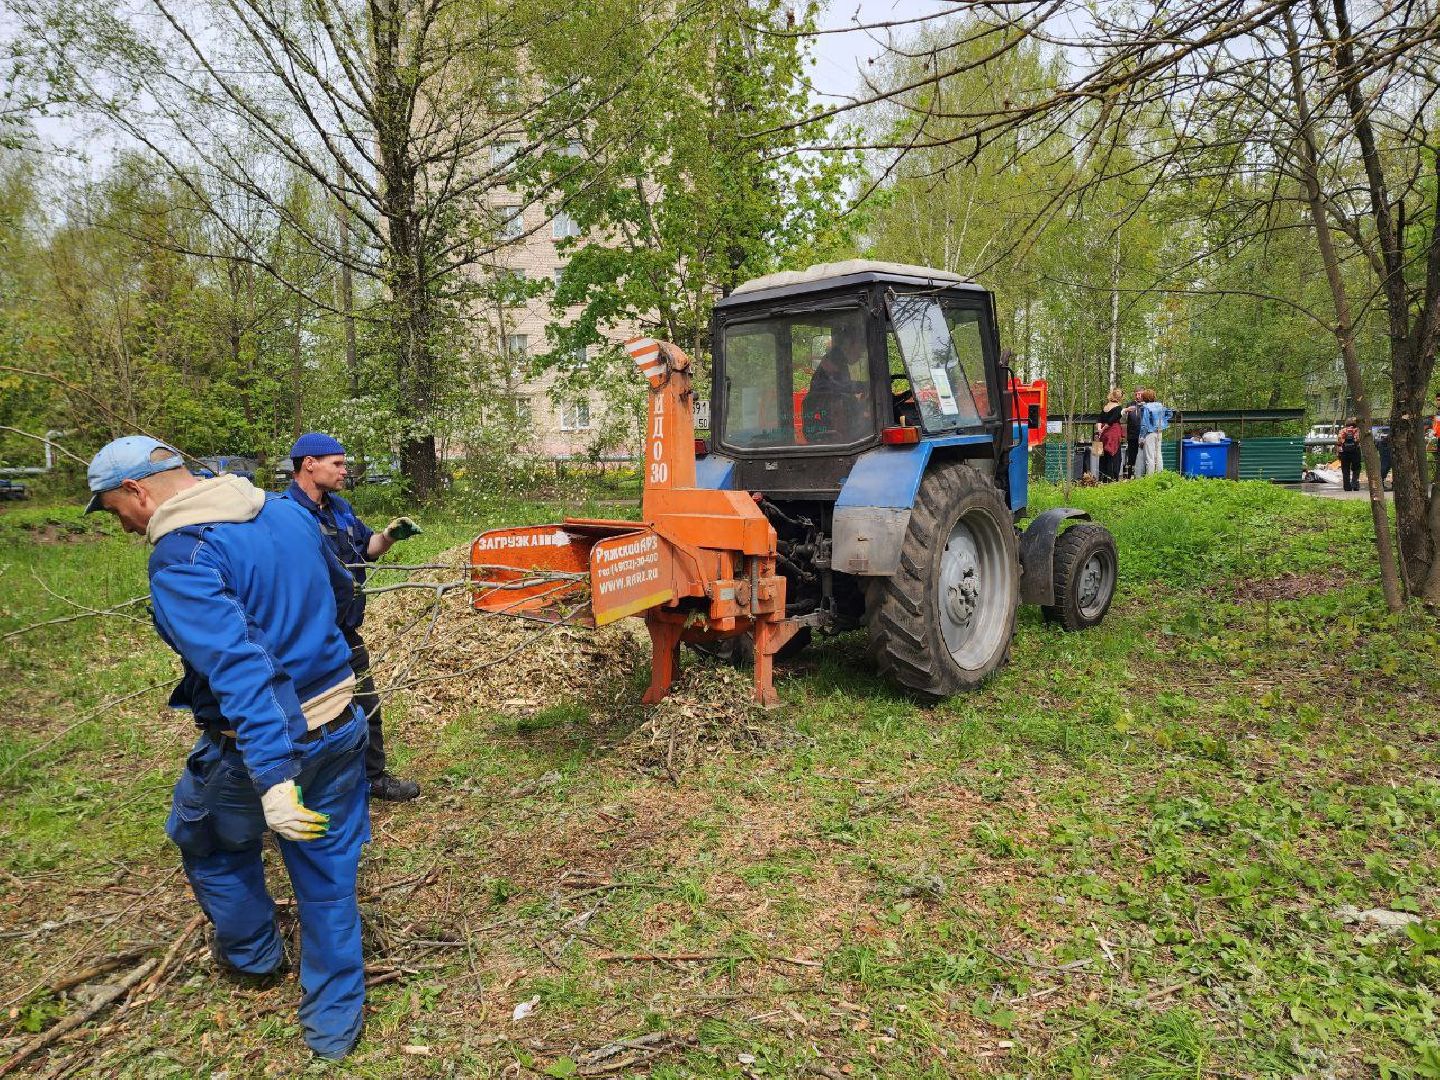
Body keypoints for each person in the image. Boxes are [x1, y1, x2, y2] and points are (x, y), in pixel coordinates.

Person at [85, 436, 370, 1060]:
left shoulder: (183, 557)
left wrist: (273, 776)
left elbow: (243, 669)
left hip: (258, 748)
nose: (125, 525)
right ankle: (334, 1024)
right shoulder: (284, 510)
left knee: (209, 841)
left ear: (137, 490)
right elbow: (346, 595)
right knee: (327, 873)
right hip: (343, 724)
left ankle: (253, 956)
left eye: (113, 510)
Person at [284, 433, 421, 802]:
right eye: (338, 464)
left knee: (366, 704)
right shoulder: (283, 514)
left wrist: (390, 535)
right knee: (308, 717)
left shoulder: (340, 508)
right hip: (303, 637)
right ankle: (301, 793)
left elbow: (368, 549)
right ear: (308, 464)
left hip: (345, 632)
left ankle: (373, 779)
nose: (345, 471)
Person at [802, 322, 873, 443]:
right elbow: (836, 386)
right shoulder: (835, 358)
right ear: (850, 343)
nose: (861, 354)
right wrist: (865, 386)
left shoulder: (839, 360)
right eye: (860, 349)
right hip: (828, 416)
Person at [1136, 388, 1170, 477]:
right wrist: (1164, 421)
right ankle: (1160, 476)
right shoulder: (1160, 405)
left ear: (1145, 397)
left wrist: (1142, 437)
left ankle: (1150, 478)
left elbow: (1144, 425)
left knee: (1149, 457)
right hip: (1159, 432)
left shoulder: (1145, 408)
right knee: (1158, 455)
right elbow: (1169, 413)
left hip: (1149, 433)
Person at [1098, 388, 1124, 482]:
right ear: (1120, 398)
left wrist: (1100, 430)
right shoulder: (1118, 408)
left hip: (1103, 435)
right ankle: (1113, 478)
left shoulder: (1105, 407)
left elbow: (1099, 420)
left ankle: (1102, 478)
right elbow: (1111, 421)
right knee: (1115, 456)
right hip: (1113, 434)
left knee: (1103, 455)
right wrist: (1104, 428)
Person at [1122, 388, 1144, 478]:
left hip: (1143, 435)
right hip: (1132, 435)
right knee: (1131, 456)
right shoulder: (1130, 404)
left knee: (1143, 455)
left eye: (1140, 394)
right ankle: (1130, 476)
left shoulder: (1147, 405)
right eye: (1136, 394)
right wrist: (1126, 410)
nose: (1138, 396)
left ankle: (1143, 475)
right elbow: (1123, 419)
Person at [1336, 417, 1362, 491]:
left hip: (1344, 452)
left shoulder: (1342, 431)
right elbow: (1358, 440)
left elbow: (1339, 443)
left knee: (1345, 470)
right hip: (1355, 452)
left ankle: (1347, 487)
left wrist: (1338, 453)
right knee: (1356, 468)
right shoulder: (1357, 430)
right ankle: (1355, 484)